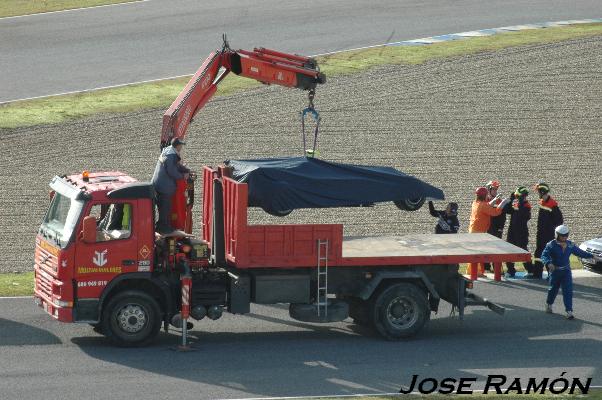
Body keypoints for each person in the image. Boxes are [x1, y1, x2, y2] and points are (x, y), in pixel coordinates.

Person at [542, 225, 595, 319]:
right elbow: (544, 255)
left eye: (566, 235)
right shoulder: (551, 245)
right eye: (562, 235)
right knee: (553, 290)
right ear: (557, 235)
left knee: (568, 291)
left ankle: (569, 311)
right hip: (555, 272)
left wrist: (591, 256)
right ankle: (549, 304)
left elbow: (580, 252)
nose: (564, 237)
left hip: (566, 271)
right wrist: (549, 263)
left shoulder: (570, 245)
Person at [151, 137, 190, 234]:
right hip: (164, 186)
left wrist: (186, 170)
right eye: (181, 145)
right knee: (165, 207)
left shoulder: (167, 151)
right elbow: (172, 171)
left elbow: (175, 166)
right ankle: (163, 227)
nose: (181, 147)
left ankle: (164, 225)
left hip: (159, 184)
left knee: (164, 207)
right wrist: (183, 176)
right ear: (178, 146)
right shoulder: (171, 156)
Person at [468, 187, 509, 276]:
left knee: (474, 251)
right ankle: (477, 272)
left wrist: (495, 199)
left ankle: (471, 271)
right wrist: (503, 203)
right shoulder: (483, 205)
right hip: (479, 232)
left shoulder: (475, 203)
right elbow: (495, 212)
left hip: (473, 230)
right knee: (478, 252)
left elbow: (487, 205)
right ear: (484, 195)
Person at [533, 181, 563, 279]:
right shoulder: (542, 202)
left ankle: (552, 274)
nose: (538, 194)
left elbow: (559, 221)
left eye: (538, 192)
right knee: (538, 254)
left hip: (548, 235)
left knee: (549, 254)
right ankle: (537, 273)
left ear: (542, 192)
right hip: (541, 234)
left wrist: (553, 233)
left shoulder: (552, 205)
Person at [504, 186, 534, 278]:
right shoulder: (516, 203)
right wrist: (511, 199)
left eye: (517, 196)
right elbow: (507, 210)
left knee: (523, 251)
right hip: (512, 231)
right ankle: (511, 270)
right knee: (509, 250)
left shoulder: (526, 205)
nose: (516, 198)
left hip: (521, 232)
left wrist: (517, 202)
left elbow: (525, 215)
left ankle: (530, 270)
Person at [484, 180, 506, 272]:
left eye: (496, 189)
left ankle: (497, 269)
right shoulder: (485, 200)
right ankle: (486, 268)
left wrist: (500, 228)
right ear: (489, 190)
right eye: (494, 189)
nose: (495, 191)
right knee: (486, 248)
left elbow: (502, 216)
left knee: (497, 249)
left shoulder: (499, 200)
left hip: (496, 228)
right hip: (487, 227)